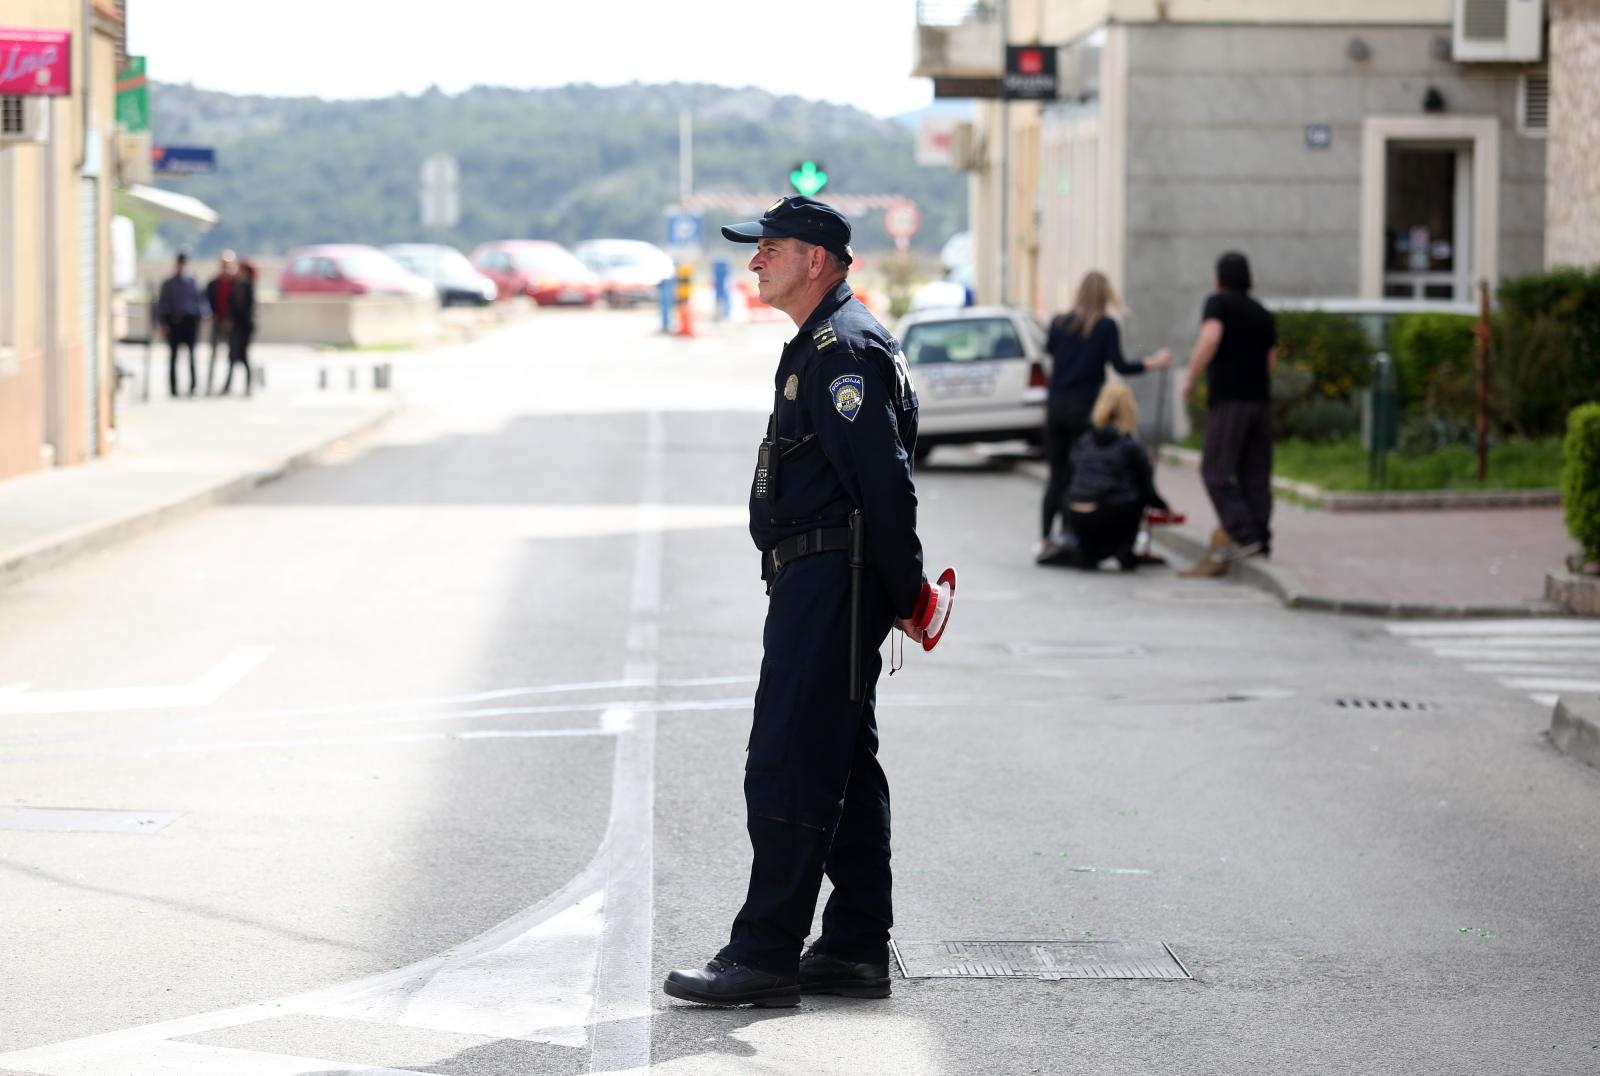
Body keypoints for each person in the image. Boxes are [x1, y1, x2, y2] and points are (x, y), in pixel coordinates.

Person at [663, 197, 929, 1008]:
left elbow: (884, 484)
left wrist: (908, 592)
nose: (755, 261)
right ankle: (853, 946)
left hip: (831, 580)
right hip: (823, 579)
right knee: (842, 763)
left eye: (770, 248)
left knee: (788, 762)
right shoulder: (825, 341)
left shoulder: (842, 350)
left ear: (816, 259)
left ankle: (764, 953)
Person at [1040, 271, 1170, 547]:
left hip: (1056, 407)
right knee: (1076, 474)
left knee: (1056, 476)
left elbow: (1050, 351)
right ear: (1106, 295)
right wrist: (1154, 363)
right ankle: (1070, 535)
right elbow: (1120, 365)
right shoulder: (1106, 325)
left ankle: (1045, 537)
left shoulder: (1058, 322)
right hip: (1084, 408)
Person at [1179, 251, 1278, 568]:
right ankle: (1260, 539)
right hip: (1260, 402)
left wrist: (1190, 377)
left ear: (1218, 279)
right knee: (1255, 473)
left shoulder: (1218, 303)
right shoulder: (1263, 313)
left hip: (1229, 401)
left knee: (1216, 472)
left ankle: (1244, 534)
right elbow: (1271, 361)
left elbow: (1211, 338)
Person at [1057, 381, 1170, 571]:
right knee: (1133, 496)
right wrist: (1165, 508)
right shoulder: (1130, 446)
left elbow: (1067, 480)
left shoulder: (1084, 441)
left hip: (1077, 513)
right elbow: (1146, 490)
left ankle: (1088, 552)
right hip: (1114, 513)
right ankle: (1124, 550)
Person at [154, 253, 206, 398]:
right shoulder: (169, 283)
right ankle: (173, 387)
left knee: (192, 355)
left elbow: (201, 302)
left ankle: (193, 386)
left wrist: (202, 318)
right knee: (173, 356)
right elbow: (161, 304)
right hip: (175, 322)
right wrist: (162, 323)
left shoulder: (193, 282)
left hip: (190, 322)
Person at [202, 251, 237, 395]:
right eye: (223, 264)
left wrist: (231, 318)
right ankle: (209, 385)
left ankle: (227, 386)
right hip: (217, 320)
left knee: (231, 355)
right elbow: (205, 302)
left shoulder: (236, 284)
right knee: (213, 354)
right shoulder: (213, 283)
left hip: (231, 323)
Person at [221, 261, 256, 397]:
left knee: (244, 356)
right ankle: (227, 386)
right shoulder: (234, 285)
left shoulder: (248, 286)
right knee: (232, 357)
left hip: (244, 327)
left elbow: (247, 309)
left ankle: (248, 386)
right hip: (235, 327)